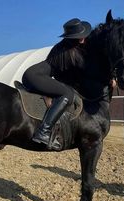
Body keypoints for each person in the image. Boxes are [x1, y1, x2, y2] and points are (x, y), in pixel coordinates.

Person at [22, 18, 92, 150]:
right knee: (67, 93)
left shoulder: (62, 48)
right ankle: (43, 132)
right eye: (79, 37)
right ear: (72, 38)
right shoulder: (68, 53)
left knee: (65, 91)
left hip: (33, 74)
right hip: (35, 76)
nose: (83, 38)